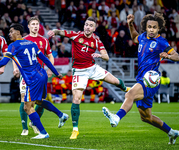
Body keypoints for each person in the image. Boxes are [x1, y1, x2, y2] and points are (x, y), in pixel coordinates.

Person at [47, 17, 130, 139]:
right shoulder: (76, 35)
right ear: (84, 26)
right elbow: (62, 32)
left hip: (93, 68)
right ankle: (75, 130)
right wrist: (53, 31)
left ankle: (127, 90)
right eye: (86, 24)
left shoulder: (96, 40)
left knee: (115, 81)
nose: (87, 27)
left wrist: (100, 55)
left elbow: (106, 56)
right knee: (76, 98)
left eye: (91, 25)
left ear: (94, 28)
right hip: (79, 71)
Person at [0, 23, 66, 139]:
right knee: (39, 101)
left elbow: (4, 62)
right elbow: (45, 59)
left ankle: (43, 133)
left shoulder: (13, 45)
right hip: (42, 74)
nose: (9, 34)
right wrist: (56, 73)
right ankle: (61, 115)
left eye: (11, 31)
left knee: (27, 107)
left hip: (32, 78)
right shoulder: (32, 44)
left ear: (18, 32)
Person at [102, 13, 179, 145]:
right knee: (146, 117)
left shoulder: (161, 42)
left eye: (154, 27)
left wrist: (168, 56)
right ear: (146, 27)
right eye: (149, 27)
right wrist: (130, 24)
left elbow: (177, 56)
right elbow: (134, 37)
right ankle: (172, 132)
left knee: (130, 94)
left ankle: (117, 117)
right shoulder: (143, 37)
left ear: (158, 28)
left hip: (151, 80)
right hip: (142, 79)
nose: (151, 29)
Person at [17, 17, 69, 135]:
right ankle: (25, 127)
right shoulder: (23, 40)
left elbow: (49, 56)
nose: (35, 26)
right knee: (24, 98)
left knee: (40, 101)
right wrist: (16, 69)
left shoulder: (44, 41)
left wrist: (51, 69)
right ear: (29, 26)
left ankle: (37, 123)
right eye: (33, 24)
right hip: (27, 75)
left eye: (37, 24)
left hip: (39, 75)